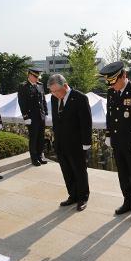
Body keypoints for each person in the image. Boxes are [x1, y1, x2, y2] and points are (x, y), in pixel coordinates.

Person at [101, 61, 131, 220]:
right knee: (122, 174)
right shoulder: (111, 92)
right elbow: (110, 115)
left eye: (115, 82)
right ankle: (128, 201)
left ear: (124, 76)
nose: (113, 86)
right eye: (110, 83)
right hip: (117, 140)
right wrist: (108, 134)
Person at [49, 74, 92, 211]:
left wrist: (86, 143)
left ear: (65, 86)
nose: (54, 94)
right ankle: (72, 196)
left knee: (79, 171)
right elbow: (56, 121)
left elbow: (86, 123)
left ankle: (82, 198)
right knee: (66, 171)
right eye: (52, 91)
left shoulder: (80, 98)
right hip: (61, 143)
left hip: (77, 144)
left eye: (57, 91)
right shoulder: (53, 98)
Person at [18, 67, 48, 166]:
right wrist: (26, 117)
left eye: (38, 76)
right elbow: (22, 103)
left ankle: (40, 156)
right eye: (35, 76)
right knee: (34, 138)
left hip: (41, 116)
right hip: (32, 118)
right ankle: (34, 158)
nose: (37, 78)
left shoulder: (40, 85)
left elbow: (43, 100)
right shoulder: (23, 86)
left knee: (41, 138)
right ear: (30, 75)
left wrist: (46, 113)